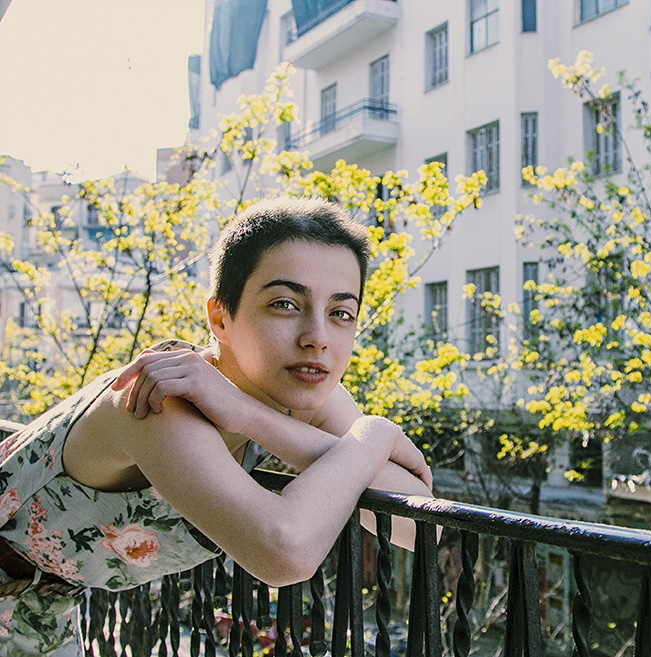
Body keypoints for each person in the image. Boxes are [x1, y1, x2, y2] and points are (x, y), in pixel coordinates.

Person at [0, 197, 432, 655]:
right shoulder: (159, 396)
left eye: (340, 313)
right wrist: (376, 435)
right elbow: (285, 551)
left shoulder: (300, 391)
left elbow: (424, 526)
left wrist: (251, 416)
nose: (318, 338)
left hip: (39, 614)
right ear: (220, 318)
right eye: (285, 304)